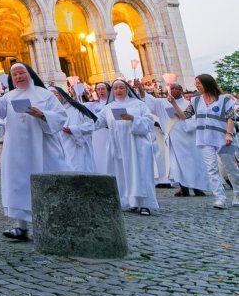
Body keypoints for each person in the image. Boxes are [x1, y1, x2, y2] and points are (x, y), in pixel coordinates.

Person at [0, 62, 69, 241]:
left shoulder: (45, 95)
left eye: (22, 73)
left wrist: (42, 115)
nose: (19, 77)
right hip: (16, 149)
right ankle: (20, 227)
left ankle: (48, 225)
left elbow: (61, 116)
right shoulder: (9, 96)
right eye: (15, 75)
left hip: (41, 147)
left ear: (30, 74)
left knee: (43, 183)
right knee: (18, 184)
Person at [172, 73, 238, 209]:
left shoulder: (224, 99)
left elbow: (231, 117)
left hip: (223, 138)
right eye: (195, 84)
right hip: (204, 139)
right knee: (211, 169)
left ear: (207, 84)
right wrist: (173, 103)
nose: (197, 86)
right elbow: (185, 115)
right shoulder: (195, 101)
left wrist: (229, 134)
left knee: (231, 168)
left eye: (199, 84)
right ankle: (220, 198)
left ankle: (237, 194)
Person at [93, 79, 158, 214]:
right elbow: (97, 122)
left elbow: (149, 122)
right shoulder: (109, 107)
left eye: (121, 88)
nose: (118, 91)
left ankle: (144, 203)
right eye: (115, 88)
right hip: (118, 146)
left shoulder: (138, 104)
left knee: (139, 173)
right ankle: (128, 201)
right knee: (122, 173)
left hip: (137, 145)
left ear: (127, 89)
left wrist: (133, 118)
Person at [144, 84, 207, 197]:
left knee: (194, 163)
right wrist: (139, 88)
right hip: (174, 137)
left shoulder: (189, 104)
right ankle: (184, 188)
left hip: (189, 138)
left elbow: (195, 120)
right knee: (178, 164)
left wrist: (181, 120)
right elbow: (149, 101)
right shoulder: (163, 103)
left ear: (181, 90)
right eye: (170, 89)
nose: (172, 90)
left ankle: (198, 188)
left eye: (175, 88)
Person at [50, 86, 98, 173]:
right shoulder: (48, 113)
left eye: (56, 95)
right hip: (59, 150)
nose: (54, 98)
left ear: (62, 95)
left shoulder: (77, 109)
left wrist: (73, 129)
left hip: (77, 148)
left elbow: (91, 125)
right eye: (51, 96)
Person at [87, 82, 113, 176]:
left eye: (103, 89)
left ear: (108, 90)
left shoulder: (114, 104)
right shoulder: (93, 105)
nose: (100, 91)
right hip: (98, 135)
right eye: (98, 89)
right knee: (99, 155)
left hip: (110, 134)